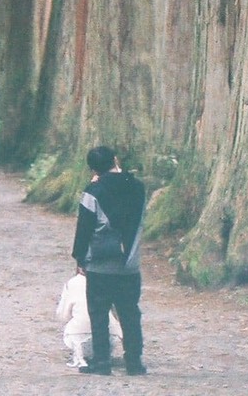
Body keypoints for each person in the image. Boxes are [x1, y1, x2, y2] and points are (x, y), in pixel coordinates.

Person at [70, 146, 146, 376]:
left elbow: (84, 227)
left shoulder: (93, 191)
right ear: (115, 159)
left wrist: (79, 257)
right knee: (130, 313)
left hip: (100, 263)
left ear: (93, 168)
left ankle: (102, 362)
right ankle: (134, 361)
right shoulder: (138, 187)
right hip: (129, 262)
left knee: (99, 312)